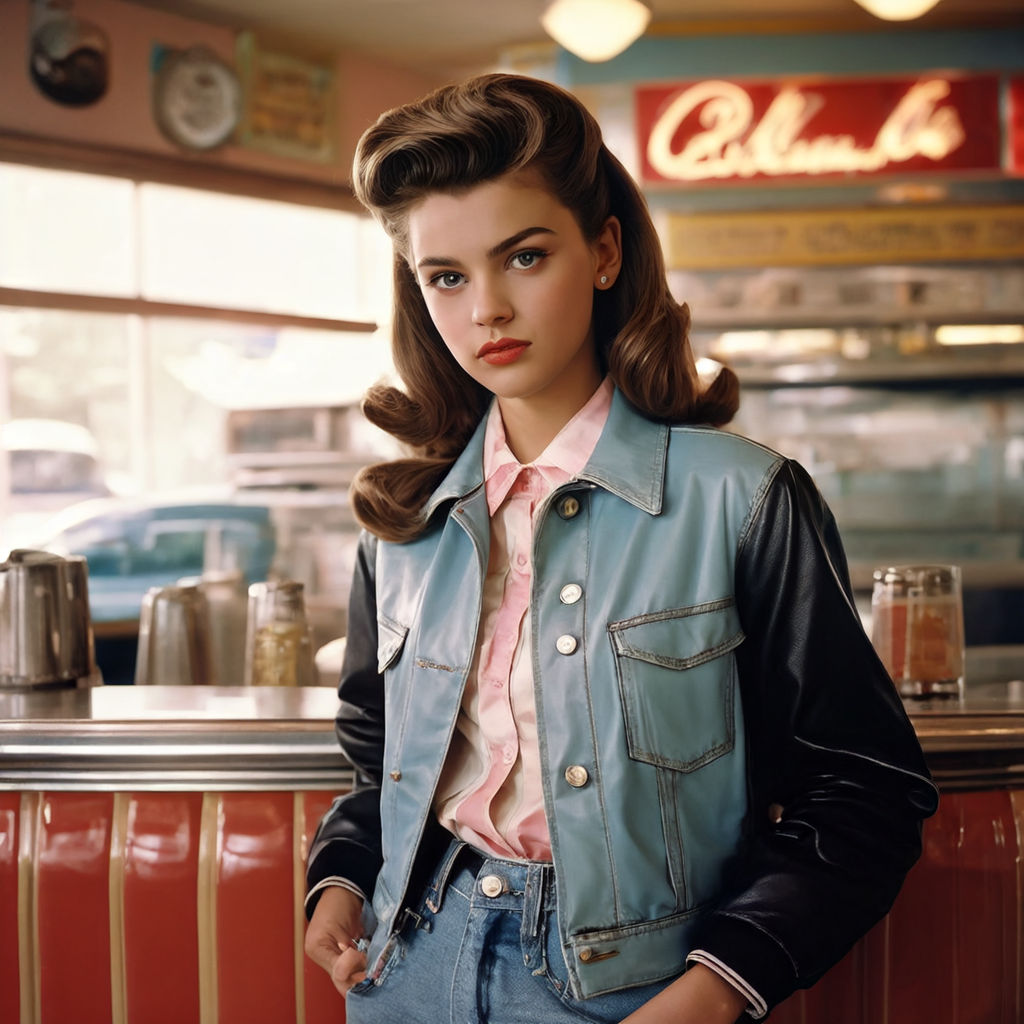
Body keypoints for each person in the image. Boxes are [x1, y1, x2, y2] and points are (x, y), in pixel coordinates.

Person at [304, 73, 938, 1024]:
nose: (487, 309)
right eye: (447, 276)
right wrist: (343, 877)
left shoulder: (744, 497)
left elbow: (864, 792)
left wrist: (716, 989)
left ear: (603, 252)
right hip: (406, 966)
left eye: (524, 256)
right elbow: (376, 750)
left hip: (635, 989)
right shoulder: (407, 520)